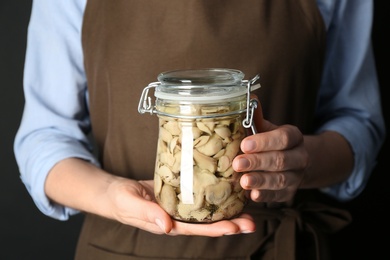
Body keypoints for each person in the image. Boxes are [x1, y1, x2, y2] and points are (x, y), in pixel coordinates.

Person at [14, 0, 385, 259]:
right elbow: (44, 136)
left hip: (277, 246)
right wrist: (110, 194)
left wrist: (302, 162)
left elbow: (359, 123)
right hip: (122, 249)